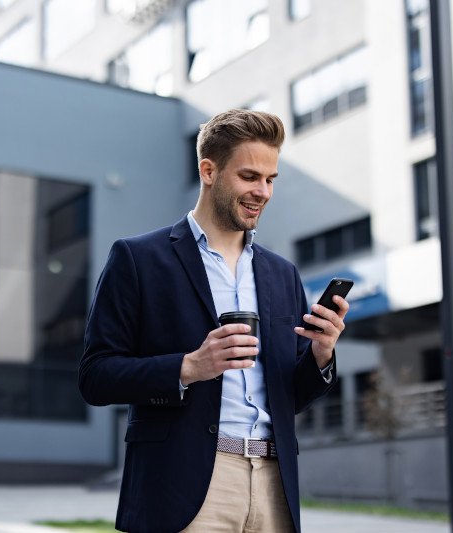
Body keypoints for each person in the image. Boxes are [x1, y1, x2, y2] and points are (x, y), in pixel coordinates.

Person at [79, 109, 349, 533]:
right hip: (184, 487)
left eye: (270, 179)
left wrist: (321, 353)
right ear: (208, 170)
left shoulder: (282, 274)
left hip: (273, 484)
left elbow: (290, 397)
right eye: (249, 177)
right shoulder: (138, 259)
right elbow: (96, 376)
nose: (263, 191)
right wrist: (189, 367)